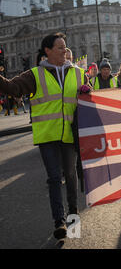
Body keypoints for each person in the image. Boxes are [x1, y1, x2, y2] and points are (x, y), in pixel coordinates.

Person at [0, 32, 86, 240]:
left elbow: (89, 100)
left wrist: (87, 92)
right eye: (60, 48)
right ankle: (60, 222)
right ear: (47, 51)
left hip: (70, 136)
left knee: (71, 176)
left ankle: (73, 217)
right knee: (55, 178)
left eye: (65, 48)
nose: (64, 51)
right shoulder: (34, 75)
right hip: (47, 135)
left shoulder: (78, 73)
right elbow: (12, 88)